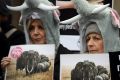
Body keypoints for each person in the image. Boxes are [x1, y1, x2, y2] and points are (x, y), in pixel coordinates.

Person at [1, 11, 73, 80]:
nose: (35, 32)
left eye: (41, 27)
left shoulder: (68, 58)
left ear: (51, 30)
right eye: (31, 28)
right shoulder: (20, 56)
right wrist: (7, 73)